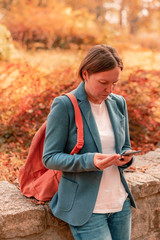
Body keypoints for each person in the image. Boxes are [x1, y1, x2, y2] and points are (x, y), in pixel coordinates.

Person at [43, 44, 136, 240]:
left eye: (114, 83)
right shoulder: (64, 105)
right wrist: (90, 161)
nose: (109, 89)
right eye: (103, 82)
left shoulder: (119, 103)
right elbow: (50, 158)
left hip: (120, 202)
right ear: (85, 74)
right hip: (86, 208)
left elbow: (125, 145)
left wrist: (126, 158)